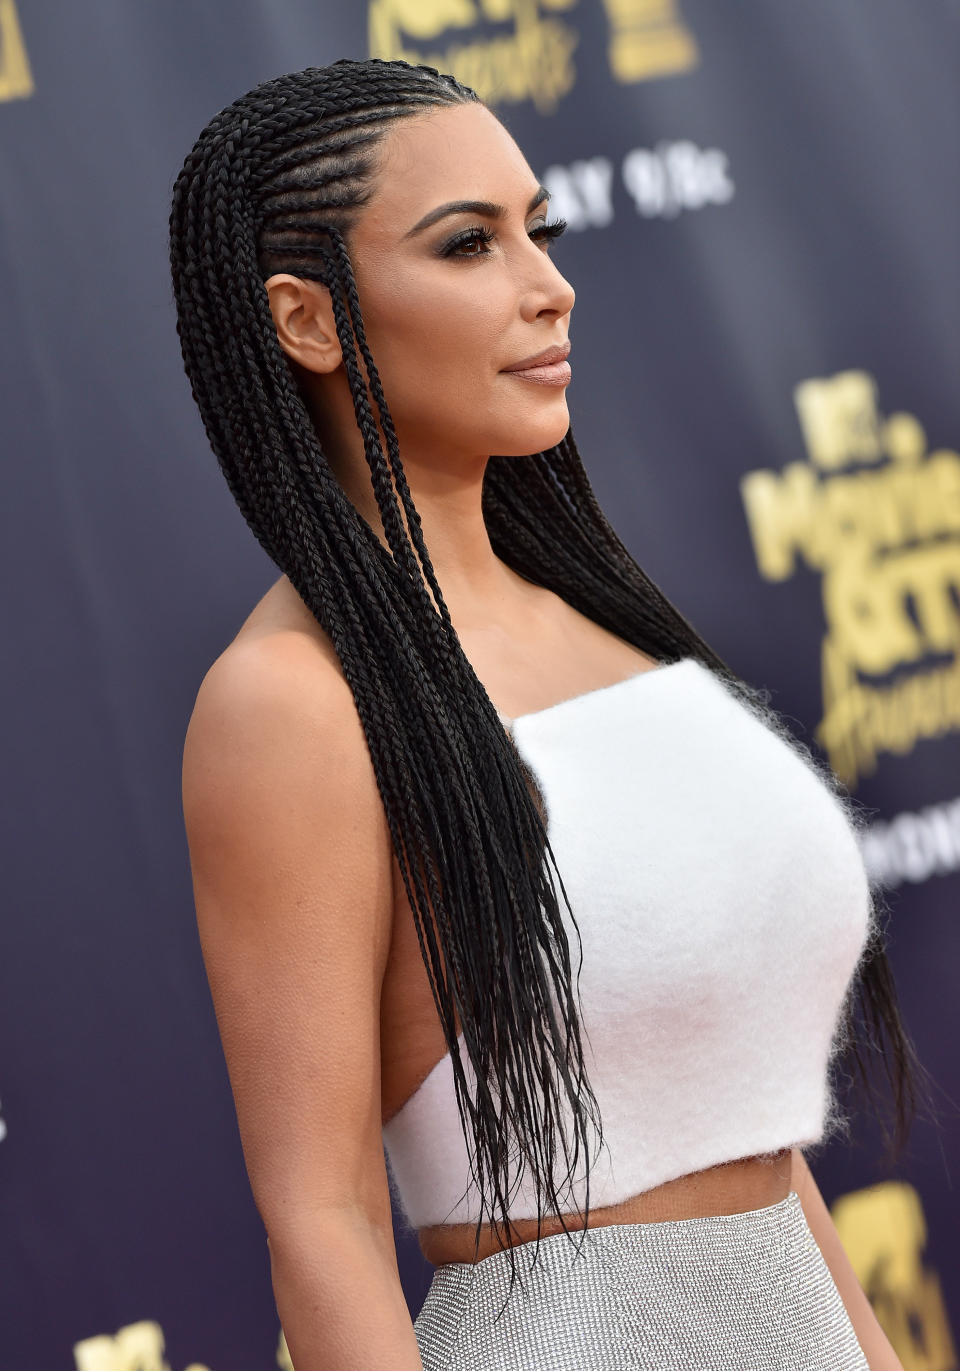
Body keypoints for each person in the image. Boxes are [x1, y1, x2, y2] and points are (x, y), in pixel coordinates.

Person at [169, 57, 925, 1370]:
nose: (549, 284)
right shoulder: (290, 704)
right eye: (467, 243)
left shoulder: (610, 628)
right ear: (307, 318)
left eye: (541, 230)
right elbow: (323, 1218)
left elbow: (746, 1142)